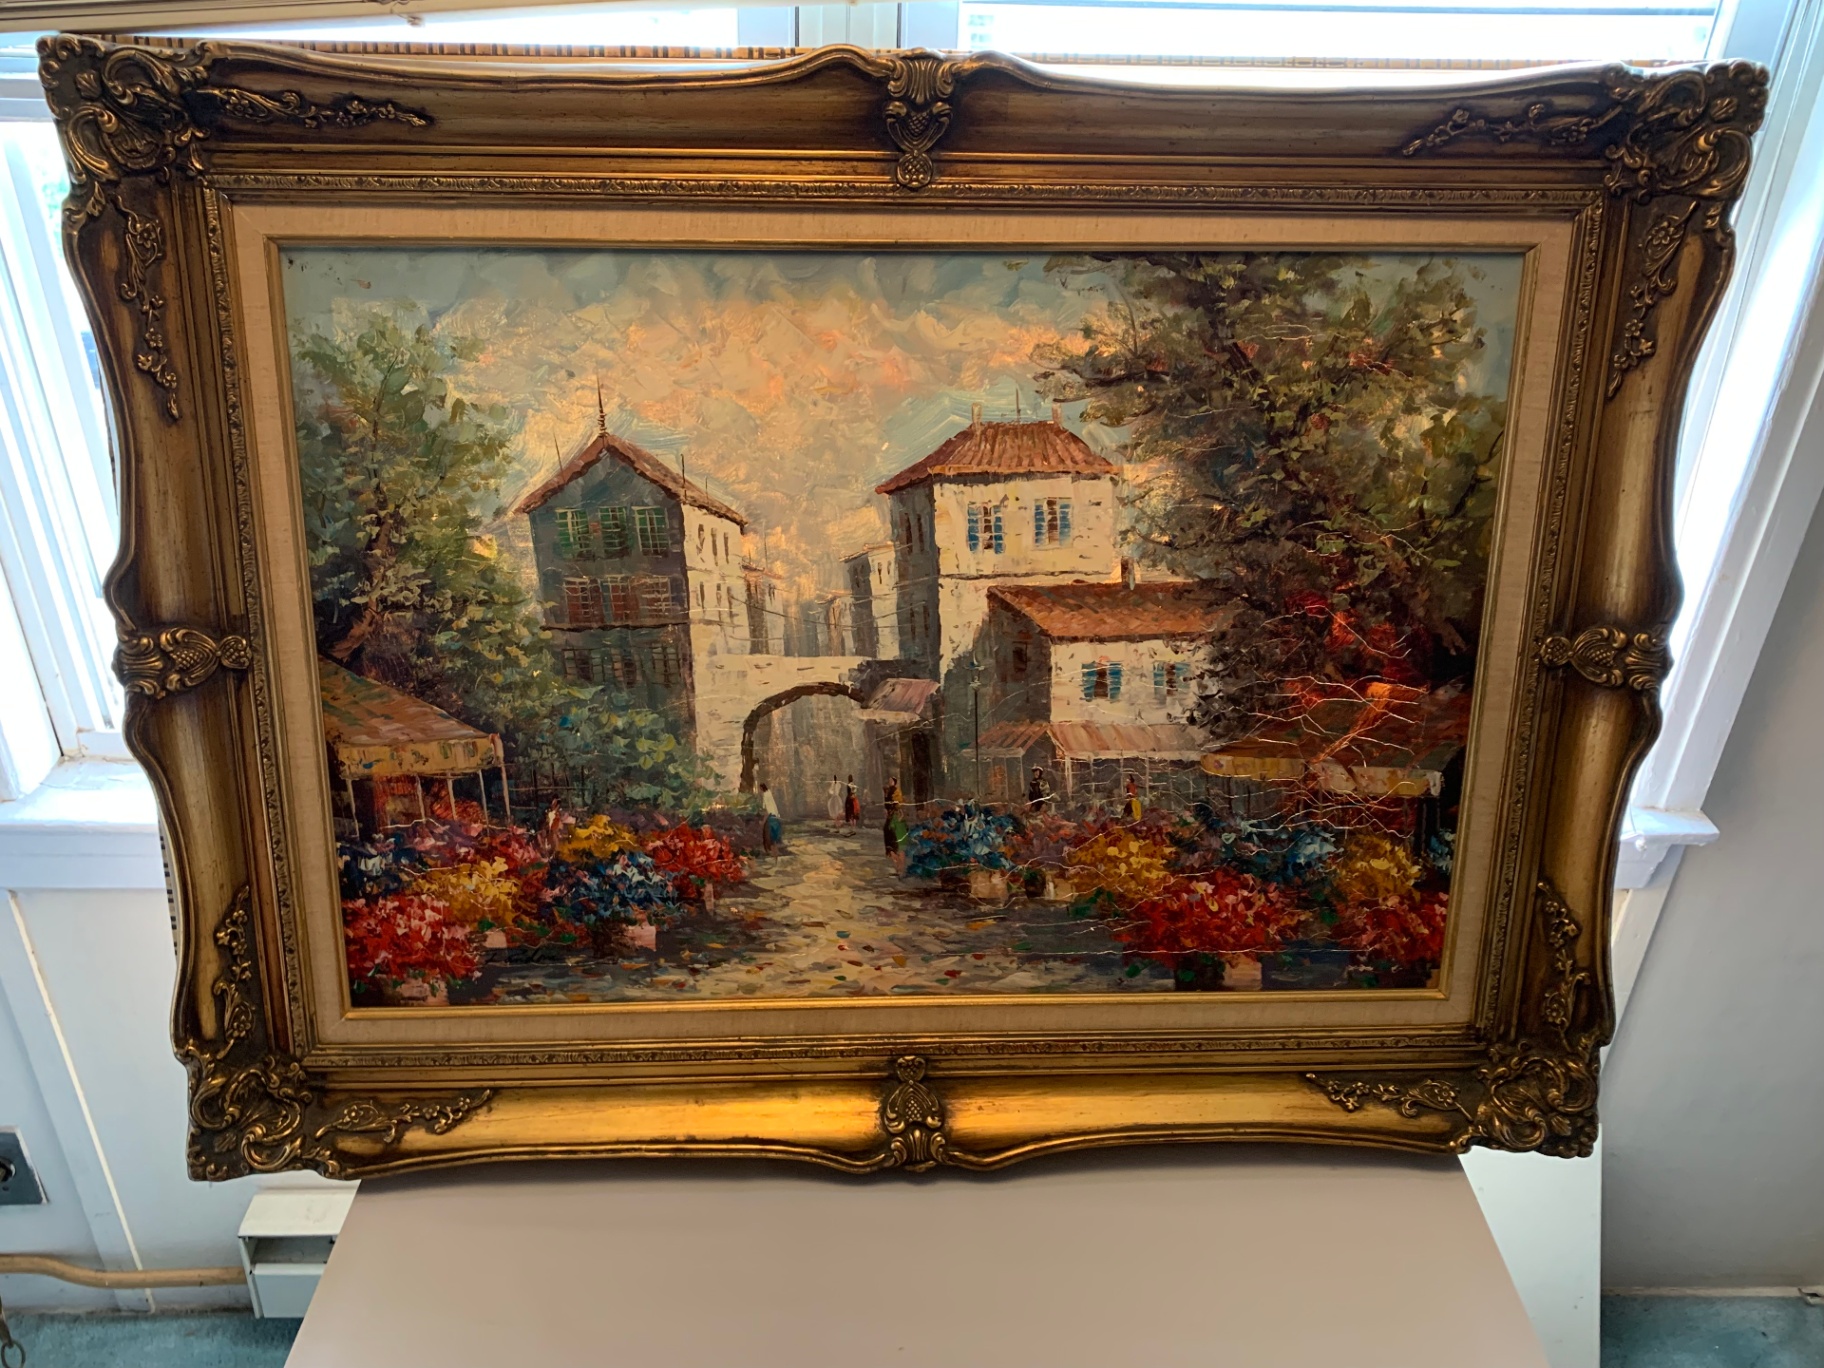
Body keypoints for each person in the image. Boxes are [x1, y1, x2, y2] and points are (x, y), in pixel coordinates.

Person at [760, 782, 783, 854]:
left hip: (771, 816)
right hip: (775, 816)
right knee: (774, 836)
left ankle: (772, 850)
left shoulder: (765, 795)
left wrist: (763, 821)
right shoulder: (769, 794)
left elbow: (766, 809)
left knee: (769, 835)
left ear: (761, 788)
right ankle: (775, 850)